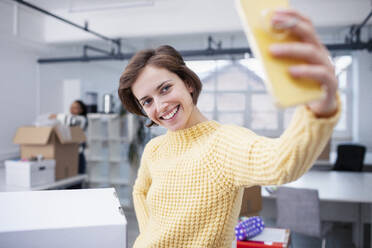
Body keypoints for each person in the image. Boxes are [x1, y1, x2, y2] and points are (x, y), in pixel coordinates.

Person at [118, 9, 340, 248]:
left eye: (165, 89)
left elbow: (281, 163)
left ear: (189, 84)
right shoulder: (155, 148)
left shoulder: (222, 143)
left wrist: (318, 111)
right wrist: (148, 237)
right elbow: (139, 191)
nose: (160, 106)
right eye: (147, 101)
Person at [50, 100, 88, 174]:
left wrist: (56, 116)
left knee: (77, 180)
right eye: (71, 107)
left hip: (78, 155)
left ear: (81, 110)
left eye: (75, 107)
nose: (72, 109)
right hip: (69, 154)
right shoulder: (67, 119)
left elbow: (72, 121)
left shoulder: (82, 119)